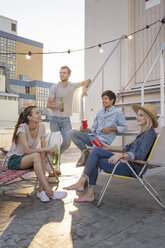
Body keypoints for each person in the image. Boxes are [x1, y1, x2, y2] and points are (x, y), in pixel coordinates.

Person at [64, 103, 158, 202]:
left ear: (148, 118)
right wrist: (109, 148)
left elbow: (140, 155)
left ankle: (85, 188)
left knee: (94, 158)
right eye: (137, 115)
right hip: (129, 165)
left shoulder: (149, 134)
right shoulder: (144, 133)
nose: (137, 117)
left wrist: (120, 156)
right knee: (96, 150)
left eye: (140, 115)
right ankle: (84, 187)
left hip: (132, 169)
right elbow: (127, 147)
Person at [7, 105, 67, 202]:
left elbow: (43, 147)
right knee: (36, 155)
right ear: (29, 117)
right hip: (16, 160)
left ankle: (41, 191)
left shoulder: (42, 126)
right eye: (37, 113)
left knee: (41, 153)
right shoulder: (22, 128)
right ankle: (49, 191)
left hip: (29, 158)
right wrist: (45, 148)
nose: (40, 115)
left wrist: (50, 150)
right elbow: (27, 151)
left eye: (39, 112)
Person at [47, 65, 91, 173]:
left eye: (64, 73)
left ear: (69, 75)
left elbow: (88, 80)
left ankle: (55, 156)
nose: (62, 74)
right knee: (56, 143)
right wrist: (57, 106)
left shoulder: (72, 86)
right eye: (60, 72)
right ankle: (56, 164)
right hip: (54, 119)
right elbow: (48, 104)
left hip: (66, 119)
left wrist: (84, 89)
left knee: (67, 142)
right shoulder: (54, 87)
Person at [69, 90, 127, 167]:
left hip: (102, 140)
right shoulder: (100, 112)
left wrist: (110, 128)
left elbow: (124, 127)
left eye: (105, 99)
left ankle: (87, 172)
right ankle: (86, 153)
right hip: (92, 137)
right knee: (72, 132)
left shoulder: (118, 112)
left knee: (94, 154)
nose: (103, 101)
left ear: (112, 100)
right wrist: (85, 129)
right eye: (102, 99)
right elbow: (93, 128)